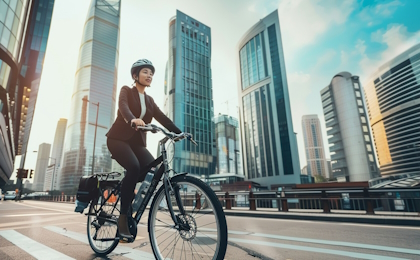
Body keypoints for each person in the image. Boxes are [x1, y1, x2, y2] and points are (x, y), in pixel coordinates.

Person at [106, 59, 182, 241]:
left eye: (151, 73)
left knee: (150, 167)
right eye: (145, 72)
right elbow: (123, 107)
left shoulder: (149, 100)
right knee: (133, 167)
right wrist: (132, 119)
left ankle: (127, 189)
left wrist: (181, 133)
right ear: (135, 75)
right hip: (117, 139)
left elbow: (163, 118)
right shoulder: (126, 90)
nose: (149, 76)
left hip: (136, 144)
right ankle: (123, 217)